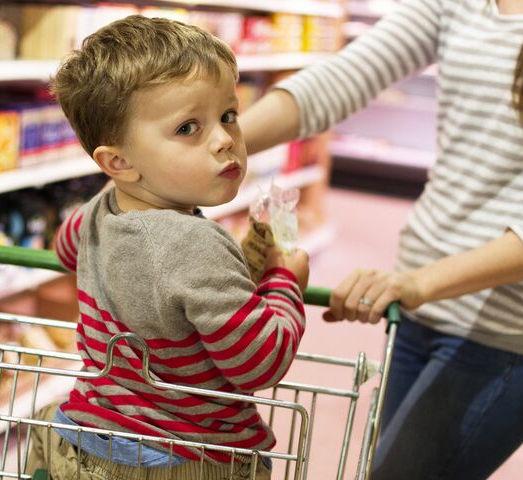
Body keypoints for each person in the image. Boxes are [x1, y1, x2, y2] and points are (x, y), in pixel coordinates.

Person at [239, 0, 523, 478]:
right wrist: (208, 148)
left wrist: (421, 281)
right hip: (415, 312)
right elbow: (342, 79)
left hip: (504, 334)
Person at [25, 15, 310, 480]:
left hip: (88, 437)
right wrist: (285, 282)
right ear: (118, 160)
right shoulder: (196, 245)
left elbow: (64, 249)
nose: (225, 141)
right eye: (187, 128)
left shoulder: (101, 212)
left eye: (228, 116)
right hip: (184, 459)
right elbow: (259, 363)